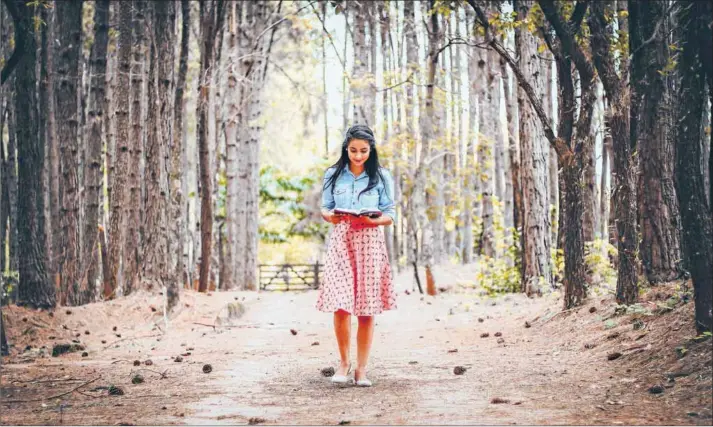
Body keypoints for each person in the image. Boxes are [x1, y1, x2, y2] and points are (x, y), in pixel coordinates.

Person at [315, 124, 397, 387]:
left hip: (370, 242)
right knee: (341, 304)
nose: (358, 155)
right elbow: (326, 209)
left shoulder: (382, 176)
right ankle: (343, 362)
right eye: (353, 150)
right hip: (342, 240)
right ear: (346, 148)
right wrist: (332, 216)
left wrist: (375, 220)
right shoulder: (333, 174)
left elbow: (390, 213)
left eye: (363, 151)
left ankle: (362, 369)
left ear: (371, 149)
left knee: (366, 307)